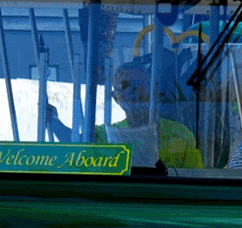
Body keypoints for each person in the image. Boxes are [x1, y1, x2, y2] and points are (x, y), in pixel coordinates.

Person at [48, 61, 203, 169]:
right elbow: (75, 143)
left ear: (155, 92)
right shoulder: (105, 136)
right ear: (115, 98)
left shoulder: (181, 136)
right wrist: (53, 120)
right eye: (124, 86)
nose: (132, 91)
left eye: (139, 85)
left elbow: (196, 184)